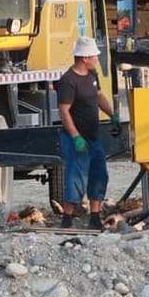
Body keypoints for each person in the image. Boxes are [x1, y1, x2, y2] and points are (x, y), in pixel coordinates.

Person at [56, 36, 116, 229]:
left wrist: (112, 115)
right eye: (94, 56)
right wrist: (75, 136)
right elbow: (64, 111)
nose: (97, 59)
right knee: (76, 176)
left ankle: (95, 217)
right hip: (76, 138)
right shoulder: (68, 81)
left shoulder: (92, 75)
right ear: (84, 58)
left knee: (99, 174)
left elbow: (98, 96)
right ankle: (67, 219)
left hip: (93, 136)